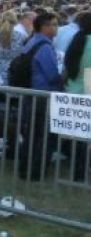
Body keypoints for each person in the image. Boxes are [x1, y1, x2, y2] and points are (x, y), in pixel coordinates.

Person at [18, 12, 63, 182]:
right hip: (43, 95)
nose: (56, 27)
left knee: (31, 134)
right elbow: (52, 75)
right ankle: (35, 172)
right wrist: (63, 79)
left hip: (32, 93)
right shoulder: (44, 46)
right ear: (45, 27)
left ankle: (26, 169)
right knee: (43, 136)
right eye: (53, 24)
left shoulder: (31, 42)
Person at [61, 11, 91, 182]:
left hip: (74, 88)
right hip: (86, 89)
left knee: (78, 137)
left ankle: (78, 172)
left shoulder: (77, 40)